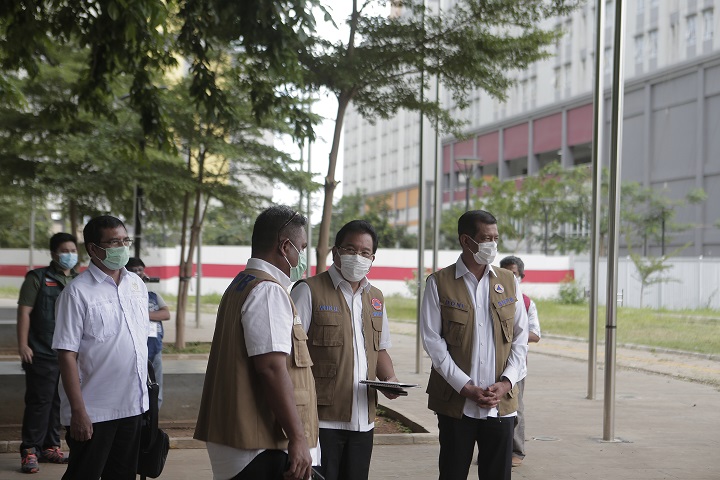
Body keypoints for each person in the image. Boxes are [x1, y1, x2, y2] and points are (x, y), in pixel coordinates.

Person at [194, 206, 319, 480]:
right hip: (260, 445)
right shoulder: (268, 291)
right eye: (302, 246)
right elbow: (272, 368)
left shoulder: (242, 283)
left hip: (243, 439)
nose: (303, 254)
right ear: (285, 246)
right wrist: (298, 437)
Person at [420, 210, 529, 480]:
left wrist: (506, 382)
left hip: (500, 404)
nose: (492, 244)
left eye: (495, 238)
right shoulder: (439, 283)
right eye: (485, 238)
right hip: (457, 405)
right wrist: (465, 387)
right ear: (466, 241)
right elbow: (433, 342)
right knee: (453, 473)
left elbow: (520, 339)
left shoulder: (509, 281)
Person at [290, 220, 399, 480]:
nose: (357, 257)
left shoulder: (375, 297)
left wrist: (391, 381)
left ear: (372, 258)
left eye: (364, 253)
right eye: (350, 249)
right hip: (322, 420)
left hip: (364, 420)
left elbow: (380, 348)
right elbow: (289, 354)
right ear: (336, 252)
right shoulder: (309, 290)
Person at [52, 215, 150, 480]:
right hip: (95, 410)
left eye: (124, 240)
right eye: (113, 242)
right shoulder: (76, 293)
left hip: (133, 404)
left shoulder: (136, 285)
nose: (121, 247)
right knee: (85, 474)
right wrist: (79, 413)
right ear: (93, 248)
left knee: (123, 475)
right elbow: (66, 355)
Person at [16, 233, 79, 473]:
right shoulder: (37, 278)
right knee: (39, 401)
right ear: (54, 253)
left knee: (59, 401)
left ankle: (51, 446)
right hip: (41, 351)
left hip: (69, 353)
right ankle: (30, 449)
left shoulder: (79, 280)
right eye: (65, 250)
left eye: (73, 250)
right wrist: (23, 345)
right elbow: (24, 312)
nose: (70, 255)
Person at [499, 255, 541, 468]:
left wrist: (513, 334)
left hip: (516, 366)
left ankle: (517, 451)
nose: (509, 277)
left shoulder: (525, 303)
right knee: (491, 407)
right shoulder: (489, 296)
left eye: (513, 274)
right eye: (505, 273)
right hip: (492, 364)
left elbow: (535, 334)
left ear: (521, 276)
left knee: (515, 407)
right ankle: (495, 449)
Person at [126, 257, 171, 408]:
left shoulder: (153, 295)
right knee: (136, 388)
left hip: (154, 348)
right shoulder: (126, 295)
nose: (138, 273)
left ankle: (153, 422)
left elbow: (165, 314)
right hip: (134, 349)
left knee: (155, 386)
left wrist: (143, 315)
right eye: (134, 270)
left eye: (140, 270)